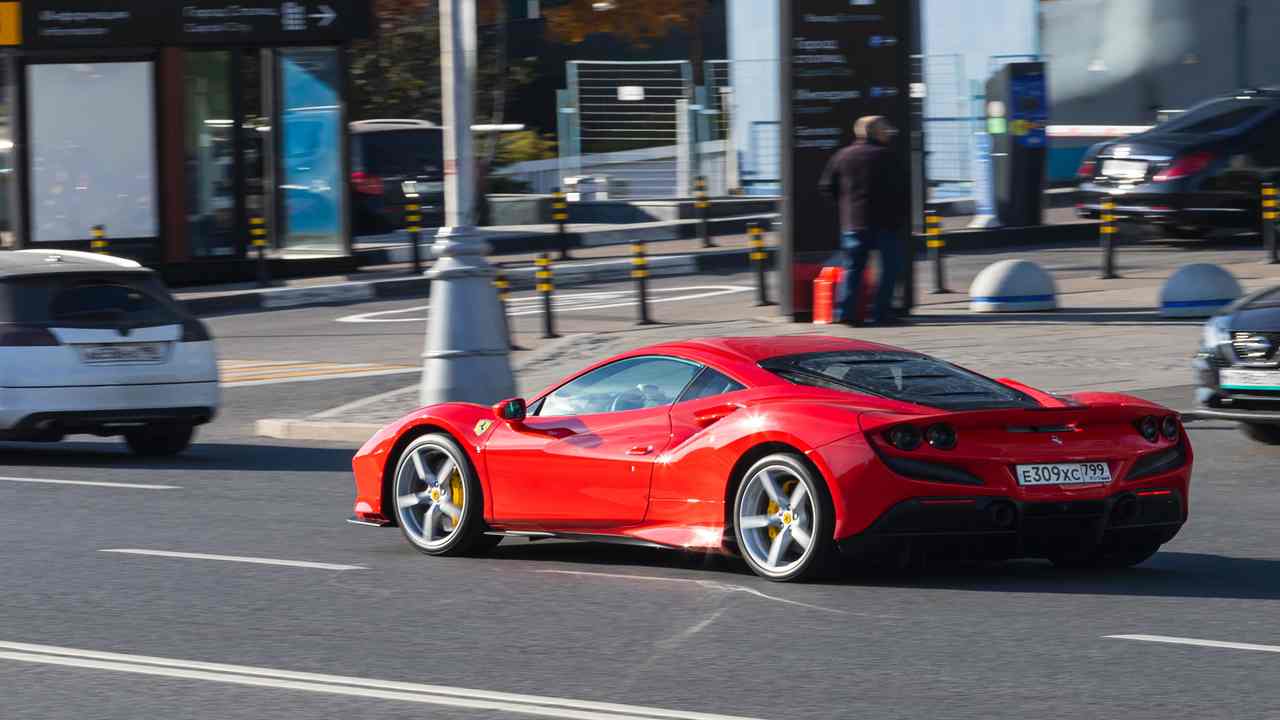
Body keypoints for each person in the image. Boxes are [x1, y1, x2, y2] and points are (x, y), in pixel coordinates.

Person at [818, 115, 910, 326]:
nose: (888, 132)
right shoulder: (887, 156)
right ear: (875, 132)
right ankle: (881, 312)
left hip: (853, 223)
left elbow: (826, 186)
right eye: (885, 129)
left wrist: (845, 205)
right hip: (885, 223)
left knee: (852, 269)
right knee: (889, 269)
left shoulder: (843, 156)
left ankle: (846, 313)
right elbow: (902, 190)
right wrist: (900, 215)